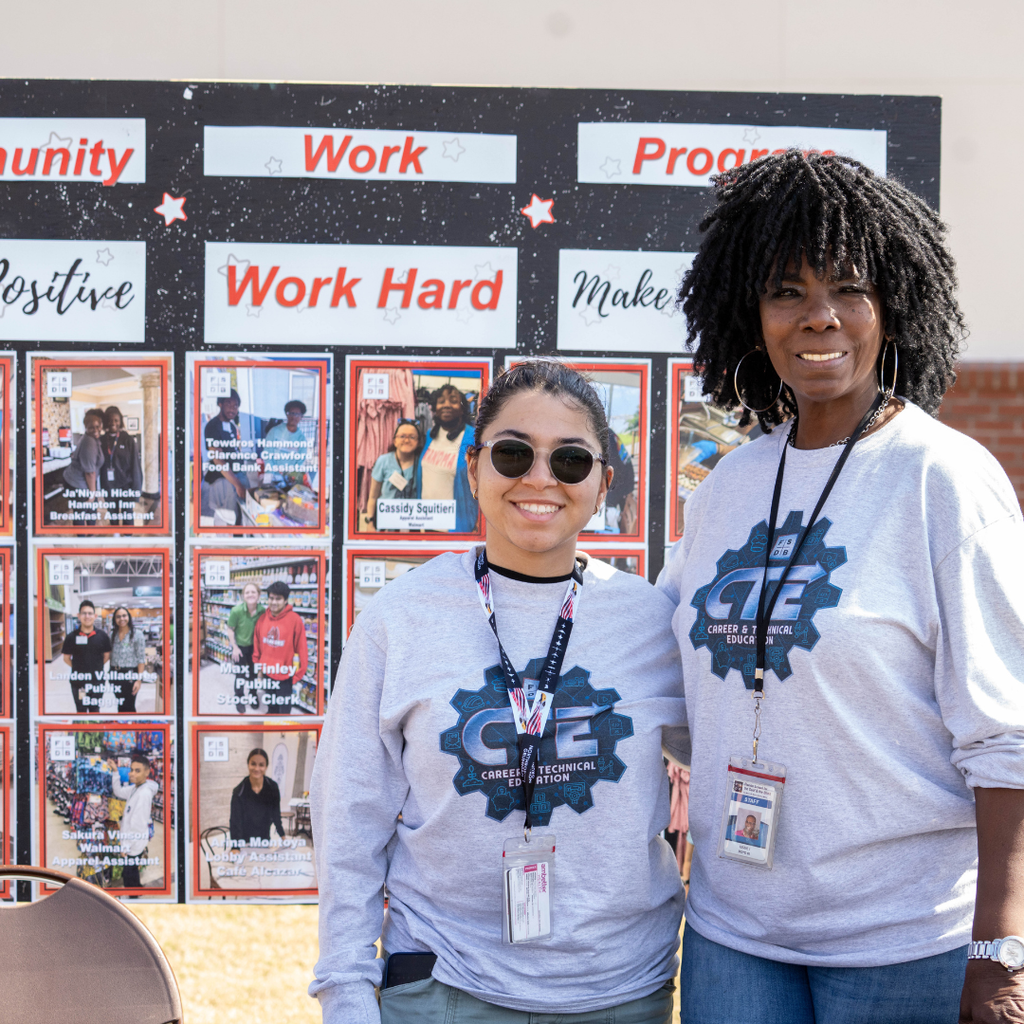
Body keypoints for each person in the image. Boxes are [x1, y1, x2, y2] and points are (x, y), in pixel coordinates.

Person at [658, 151, 1024, 1024]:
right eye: (787, 291)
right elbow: (660, 671)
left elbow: (1006, 734)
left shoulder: (945, 480)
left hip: (902, 942)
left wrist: (999, 952)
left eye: (849, 288)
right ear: (752, 314)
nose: (819, 317)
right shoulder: (729, 487)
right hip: (734, 936)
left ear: (892, 305)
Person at [311, 360, 689, 1024]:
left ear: (602, 483)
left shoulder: (653, 624)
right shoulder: (398, 620)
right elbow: (350, 815)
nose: (539, 478)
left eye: (570, 461)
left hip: (621, 992)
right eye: (514, 453)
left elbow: (726, 756)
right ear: (474, 468)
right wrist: (345, 987)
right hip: (443, 987)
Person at [413, 383, 478, 532]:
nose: (446, 405)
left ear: (462, 409)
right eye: (441, 401)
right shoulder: (430, 434)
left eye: (453, 401)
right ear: (435, 408)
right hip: (426, 523)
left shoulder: (473, 437)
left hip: (457, 526)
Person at [253, 580, 308, 716]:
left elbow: (302, 648)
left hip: (285, 676)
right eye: (271, 598)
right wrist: (258, 668)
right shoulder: (262, 619)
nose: (274, 602)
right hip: (267, 673)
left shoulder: (295, 620)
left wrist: (297, 675)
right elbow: (257, 646)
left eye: (278, 599)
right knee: (271, 708)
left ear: (285, 601)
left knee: (284, 713)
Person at [109, 752, 157, 888]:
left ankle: (134, 895)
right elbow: (118, 791)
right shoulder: (136, 788)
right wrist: (115, 771)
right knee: (132, 870)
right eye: (131, 770)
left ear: (147, 772)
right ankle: (137, 888)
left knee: (128, 873)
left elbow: (137, 826)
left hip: (133, 844)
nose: (132, 774)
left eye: (137, 771)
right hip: (133, 842)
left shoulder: (143, 794)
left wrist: (125, 846)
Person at [204, 389, 249, 525]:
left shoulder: (232, 426)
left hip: (235, 477)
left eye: (236, 406)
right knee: (225, 517)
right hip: (222, 481)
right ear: (220, 404)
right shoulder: (212, 426)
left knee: (239, 515)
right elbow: (218, 460)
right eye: (229, 404)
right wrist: (238, 484)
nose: (232, 409)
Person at [367, 419, 423, 526]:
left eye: (412, 437)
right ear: (394, 441)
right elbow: (373, 496)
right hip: (386, 522)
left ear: (418, 442)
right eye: (402, 436)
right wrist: (370, 521)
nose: (406, 441)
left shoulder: (422, 463)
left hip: (412, 522)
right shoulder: (383, 461)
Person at [61, 599, 111, 712]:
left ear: (95, 616)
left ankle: (94, 730)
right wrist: (79, 667)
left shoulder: (102, 636)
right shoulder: (71, 637)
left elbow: (107, 656)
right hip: (79, 684)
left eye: (90, 613)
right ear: (78, 616)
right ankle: (82, 730)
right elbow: (66, 658)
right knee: (81, 709)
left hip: (97, 682)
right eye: (84, 613)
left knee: (95, 709)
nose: (87, 616)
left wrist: (95, 666)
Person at [229, 747, 285, 845]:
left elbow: (276, 814)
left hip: (264, 839)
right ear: (248, 765)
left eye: (261, 765)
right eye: (253, 764)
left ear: (266, 767)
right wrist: (235, 847)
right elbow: (235, 822)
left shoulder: (273, 788)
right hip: (244, 841)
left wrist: (283, 836)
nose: (257, 768)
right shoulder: (239, 791)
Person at [224, 581, 264, 713]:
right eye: (247, 592)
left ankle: (253, 696)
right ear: (243, 596)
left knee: (253, 675)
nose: (250, 594)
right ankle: (239, 699)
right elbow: (230, 629)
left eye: (253, 592)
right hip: (240, 648)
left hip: (255, 649)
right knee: (240, 676)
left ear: (258, 595)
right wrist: (234, 647)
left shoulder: (263, 611)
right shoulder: (236, 611)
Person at [100, 405, 143, 527]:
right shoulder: (102, 440)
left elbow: (136, 466)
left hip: (126, 486)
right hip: (108, 486)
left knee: (127, 515)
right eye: (110, 420)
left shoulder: (128, 439)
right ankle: (115, 536)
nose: (113, 423)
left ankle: (127, 536)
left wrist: (136, 490)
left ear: (120, 421)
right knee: (112, 515)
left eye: (116, 420)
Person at [62, 408, 106, 527]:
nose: (96, 430)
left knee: (90, 511)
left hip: (81, 483)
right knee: (81, 514)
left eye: (98, 426)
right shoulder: (90, 442)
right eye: (91, 427)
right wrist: (92, 494)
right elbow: (90, 473)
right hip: (78, 484)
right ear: (85, 427)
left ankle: (89, 536)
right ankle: (82, 538)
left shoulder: (92, 438)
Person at [262, 399, 312, 487]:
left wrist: (291, 476)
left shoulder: (301, 439)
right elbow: (268, 454)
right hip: (273, 474)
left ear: (301, 416)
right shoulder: (274, 432)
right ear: (287, 414)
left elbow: (300, 462)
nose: (294, 417)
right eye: (291, 413)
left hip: (290, 478)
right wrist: (273, 475)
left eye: (297, 414)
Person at [108, 606, 145, 713]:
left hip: (130, 675)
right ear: (115, 619)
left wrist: (139, 680)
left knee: (129, 705)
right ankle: (123, 728)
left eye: (124, 616)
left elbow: (141, 659)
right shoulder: (112, 635)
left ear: (128, 617)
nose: (121, 619)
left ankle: (131, 728)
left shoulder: (137, 634)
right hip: (115, 675)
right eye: (118, 617)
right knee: (120, 705)